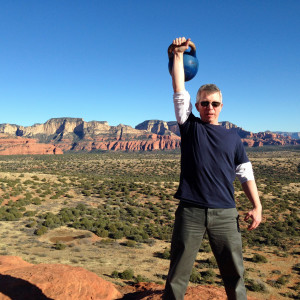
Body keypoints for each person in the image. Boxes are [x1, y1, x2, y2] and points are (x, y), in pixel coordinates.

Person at [163, 37, 262, 300]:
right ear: (196, 106)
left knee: (234, 275)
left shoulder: (233, 138)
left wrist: (257, 205)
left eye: (214, 103)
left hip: (225, 214)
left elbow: (245, 174)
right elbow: (178, 88)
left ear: (221, 106)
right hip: (191, 211)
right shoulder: (189, 126)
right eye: (204, 103)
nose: (209, 108)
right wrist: (178, 54)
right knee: (177, 276)